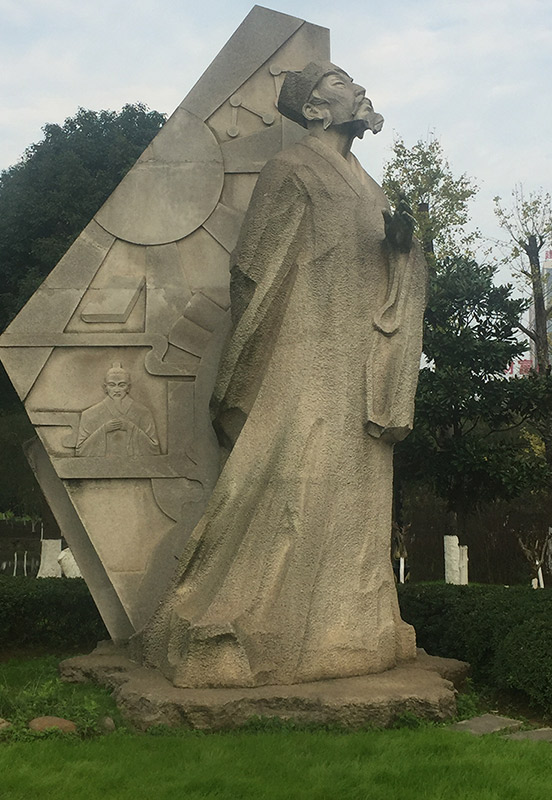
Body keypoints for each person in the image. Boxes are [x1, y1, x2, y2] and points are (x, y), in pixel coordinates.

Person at [141, 62, 428, 688]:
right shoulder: (291, 168)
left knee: (356, 486)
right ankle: (249, 620)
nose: (356, 88)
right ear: (315, 108)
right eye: (337, 82)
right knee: (290, 474)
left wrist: (403, 249)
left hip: (357, 354)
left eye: (352, 81)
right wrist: (259, 354)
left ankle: (352, 625)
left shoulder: (368, 184)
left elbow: (386, 267)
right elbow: (254, 266)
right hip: (305, 349)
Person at [76, 363, 160, 457]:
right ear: (105, 388)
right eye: (112, 385)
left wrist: (130, 427)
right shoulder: (90, 414)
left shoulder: (142, 412)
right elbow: (81, 451)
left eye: (121, 385)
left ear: (128, 387)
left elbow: (154, 449)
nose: (116, 390)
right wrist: (103, 430)